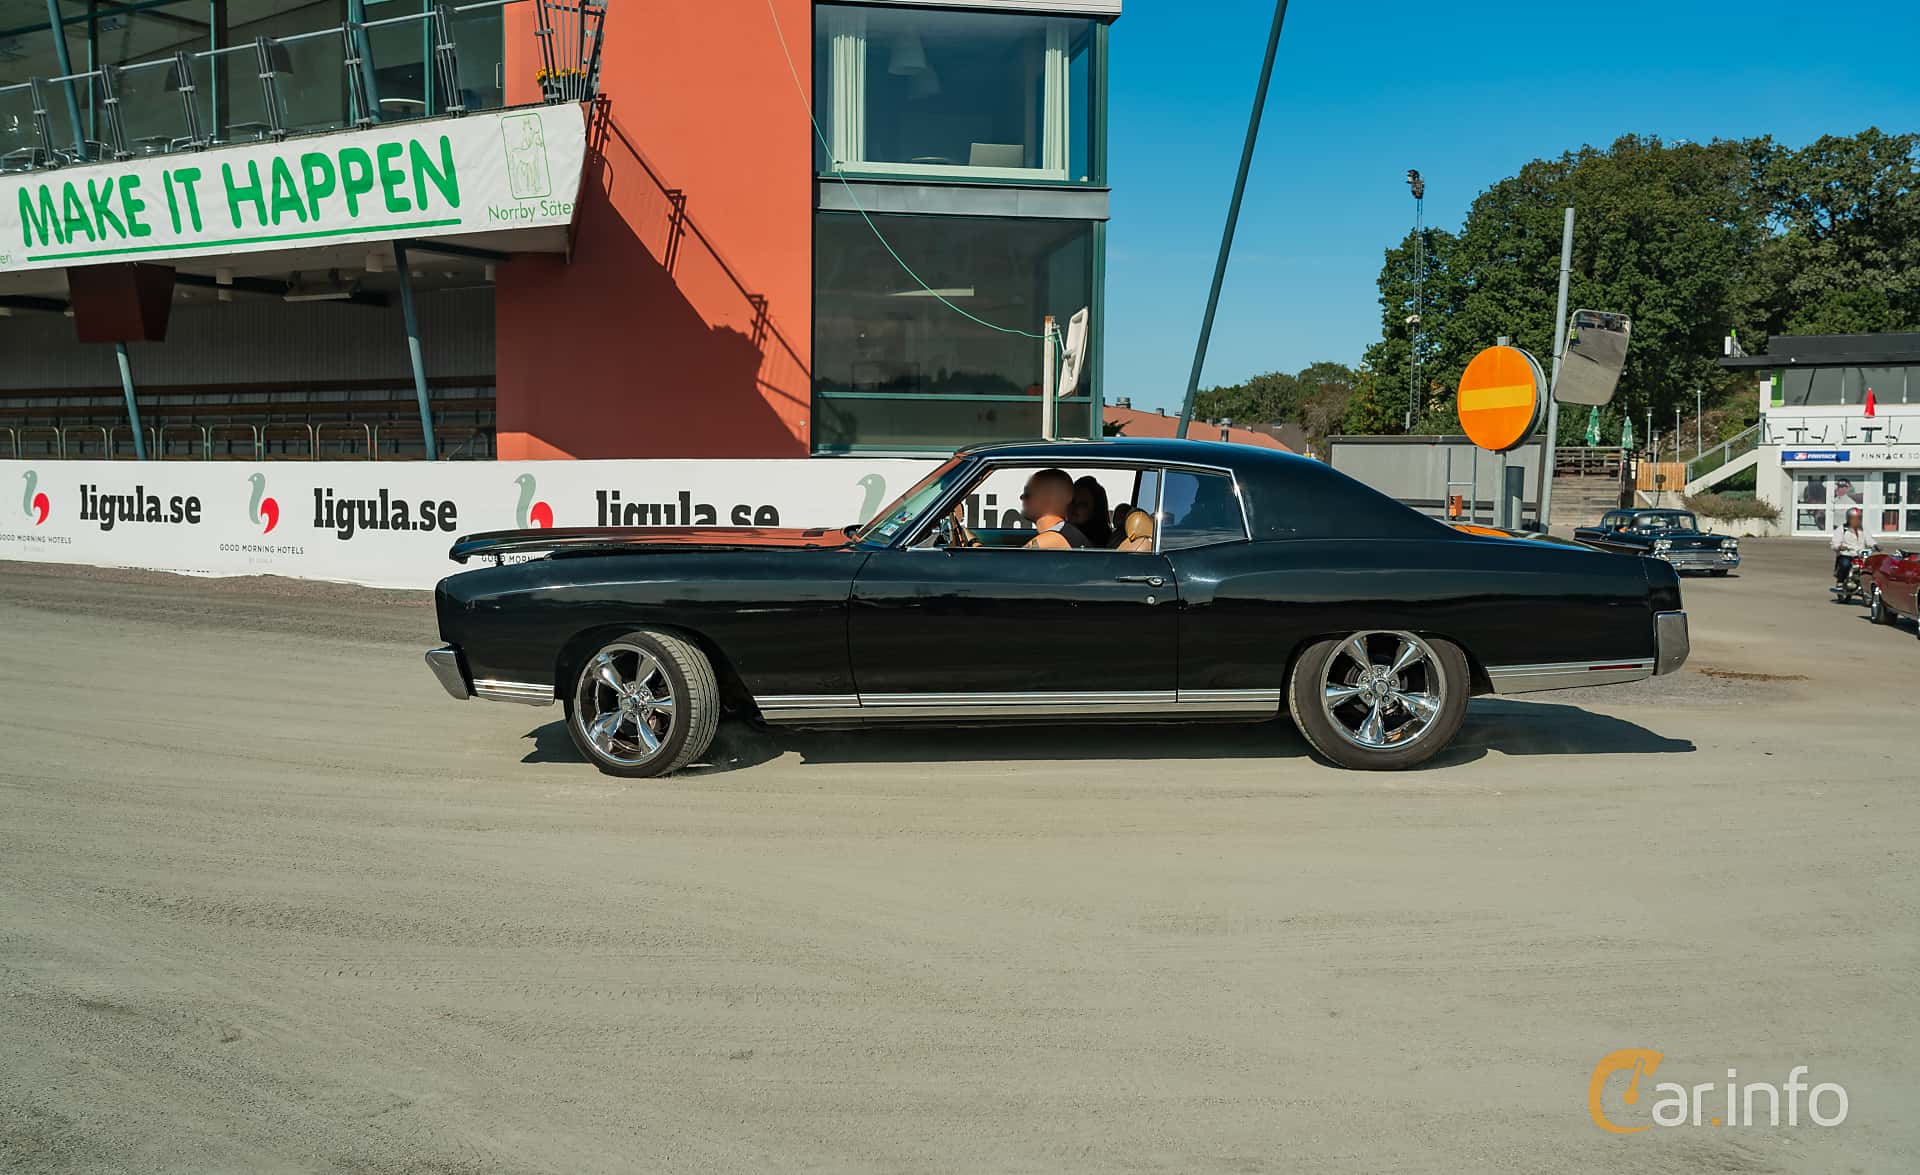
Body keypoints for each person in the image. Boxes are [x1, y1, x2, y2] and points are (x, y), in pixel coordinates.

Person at [1020, 468, 1089, 549]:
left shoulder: (1053, 539)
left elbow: (1014, 561)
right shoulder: (1065, 533)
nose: (1021, 497)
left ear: (1047, 498)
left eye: (1027, 493)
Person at [1830, 507, 1873, 584]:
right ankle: (1841, 582)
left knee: (1871, 567)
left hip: (1860, 556)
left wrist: (1875, 545)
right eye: (1854, 518)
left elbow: (1869, 540)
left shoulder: (1863, 529)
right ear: (1849, 519)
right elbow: (1834, 542)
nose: (1857, 520)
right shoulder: (1842, 529)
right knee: (1845, 564)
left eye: (1859, 518)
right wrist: (1839, 547)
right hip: (1847, 554)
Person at [1070, 476, 1113, 548]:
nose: (1074, 507)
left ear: (1095, 509)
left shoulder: (1099, 541)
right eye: (1072, 501)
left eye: (1082, 504)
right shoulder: (1064, 531)